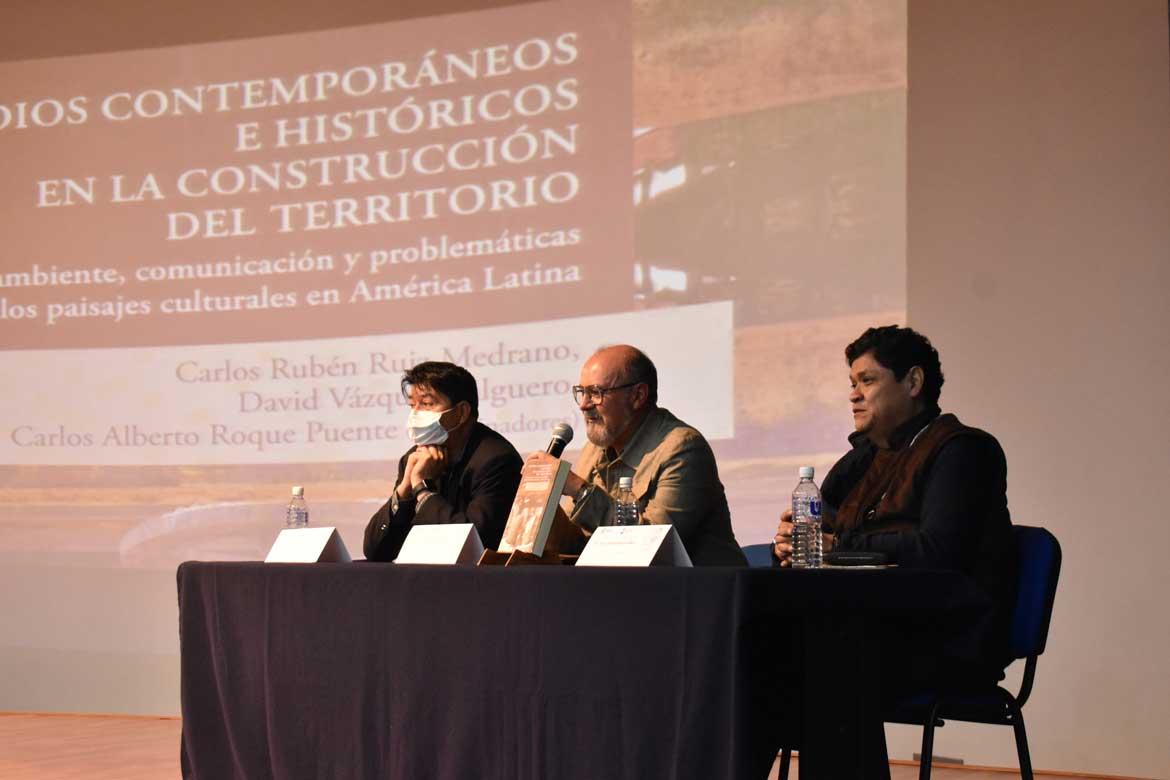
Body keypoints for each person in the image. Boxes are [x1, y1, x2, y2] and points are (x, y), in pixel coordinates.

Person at [773, 325, 1017, 684]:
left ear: (913, 382)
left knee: (799, 656)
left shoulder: (962, 450)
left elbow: (938, 549)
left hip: (942, 633)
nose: (853, 396)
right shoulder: (860, 461)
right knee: (748, 642)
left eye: (867, 381)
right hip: (866, 620)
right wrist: (792, 544)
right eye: (851, 384)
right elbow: (821, 535)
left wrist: (839, 548)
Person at [560, 345, 747, 566]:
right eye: (581, 392)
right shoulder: (594, 449)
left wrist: (581, 492)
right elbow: (575, 539)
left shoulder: (682, 448)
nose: (583, 405)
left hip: (700, 593)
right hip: (628, 590)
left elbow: (649, 548)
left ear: (638, 396)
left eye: (596, 393)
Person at [363, 361, 523, 561]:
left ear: (462, 412)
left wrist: (422, 491)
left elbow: (476, 543)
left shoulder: (496, 460)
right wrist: (404, 489)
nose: (416, 414)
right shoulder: (413, 459)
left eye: (427, 404)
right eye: (413, 405)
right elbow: (375, 550)